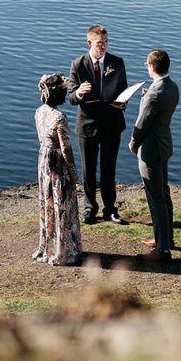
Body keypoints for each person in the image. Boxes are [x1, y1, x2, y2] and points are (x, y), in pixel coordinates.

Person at [68, 25, 128, 224]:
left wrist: (123, 102)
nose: (103, 47)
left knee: (109, 168)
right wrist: (79, 93)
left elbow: (123, 90)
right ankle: (89, 209)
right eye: (99, 43)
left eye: (106, 43)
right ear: (89, 43)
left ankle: (110, 209)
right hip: (87, 125)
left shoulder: (117, 63)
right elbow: (71, 97)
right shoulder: (78, 64)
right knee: (89, 170)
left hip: (112, 124)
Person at [129, 49, 179, 262]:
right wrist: (147, 96)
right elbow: (156, 111)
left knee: (155, 197)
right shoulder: (171, 86)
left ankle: (162, 249)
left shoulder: (154, 95)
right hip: (164, 145)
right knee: (164, 192)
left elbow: (141, 124)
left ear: (151, 67)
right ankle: (166, 238)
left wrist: (133, 143)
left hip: (150, 150)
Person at [33, 73, 82, 266]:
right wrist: (72, 171)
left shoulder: (39, 111)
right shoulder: (59, 118)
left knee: (47, 202)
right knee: (62, 204)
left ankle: (48, 246)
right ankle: (63, 250)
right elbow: (66, 148)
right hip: (57, 163)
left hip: (44, 159)